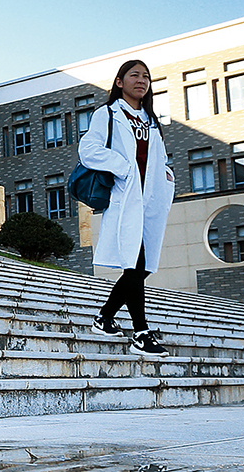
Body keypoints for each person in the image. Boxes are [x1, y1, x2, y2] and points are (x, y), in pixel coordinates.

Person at [77, 59, 177, 356]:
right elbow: (89, 150)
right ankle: (141, 332)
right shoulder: (107, 114)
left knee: (142, 267)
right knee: (136, 264)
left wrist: (166, 174)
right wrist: (124, 167)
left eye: (146, 76)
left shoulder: (151, 120)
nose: (141, 80)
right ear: (119, 82)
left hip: (150, 201)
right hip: (125, 198)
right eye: (134, 75)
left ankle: (105, 317)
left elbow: (155, 157)